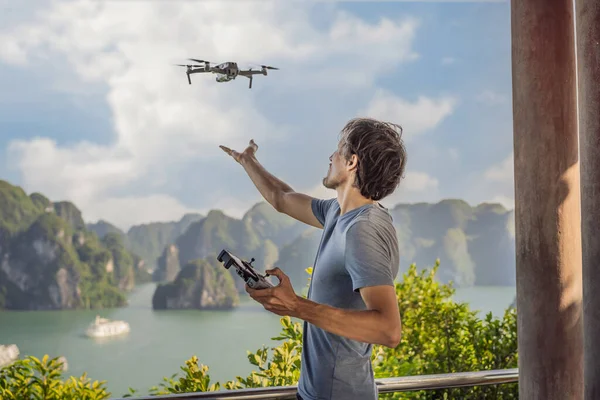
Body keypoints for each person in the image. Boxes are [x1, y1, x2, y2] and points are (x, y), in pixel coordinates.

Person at [219, 117, 406, 400]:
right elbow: (281, 197)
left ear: (352, 162)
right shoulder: (337, 213)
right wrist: (248, 161)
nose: (331, 157)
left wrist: (294, 305)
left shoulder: (363, 229)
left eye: (338, 150)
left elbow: (389, 330)